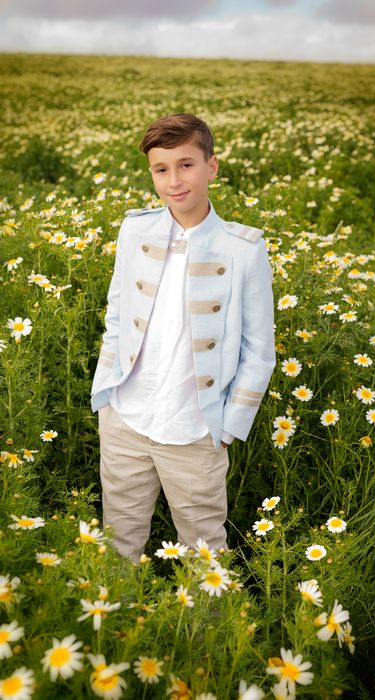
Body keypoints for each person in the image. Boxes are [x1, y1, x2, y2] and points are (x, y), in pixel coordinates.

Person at [90, 113, 275, 563]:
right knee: (117, 544)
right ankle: (116, 628)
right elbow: (116, 314)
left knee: (204, 552)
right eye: (161, 169)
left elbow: (260, 350)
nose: (174, 180)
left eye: (186, 164)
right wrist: (106, 395)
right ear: (152, 173)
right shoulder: (135, 229)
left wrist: (228, 428)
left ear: (211, 166)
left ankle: (213, 633)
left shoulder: (243, 250)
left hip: (196, 430)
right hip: (125, 419)